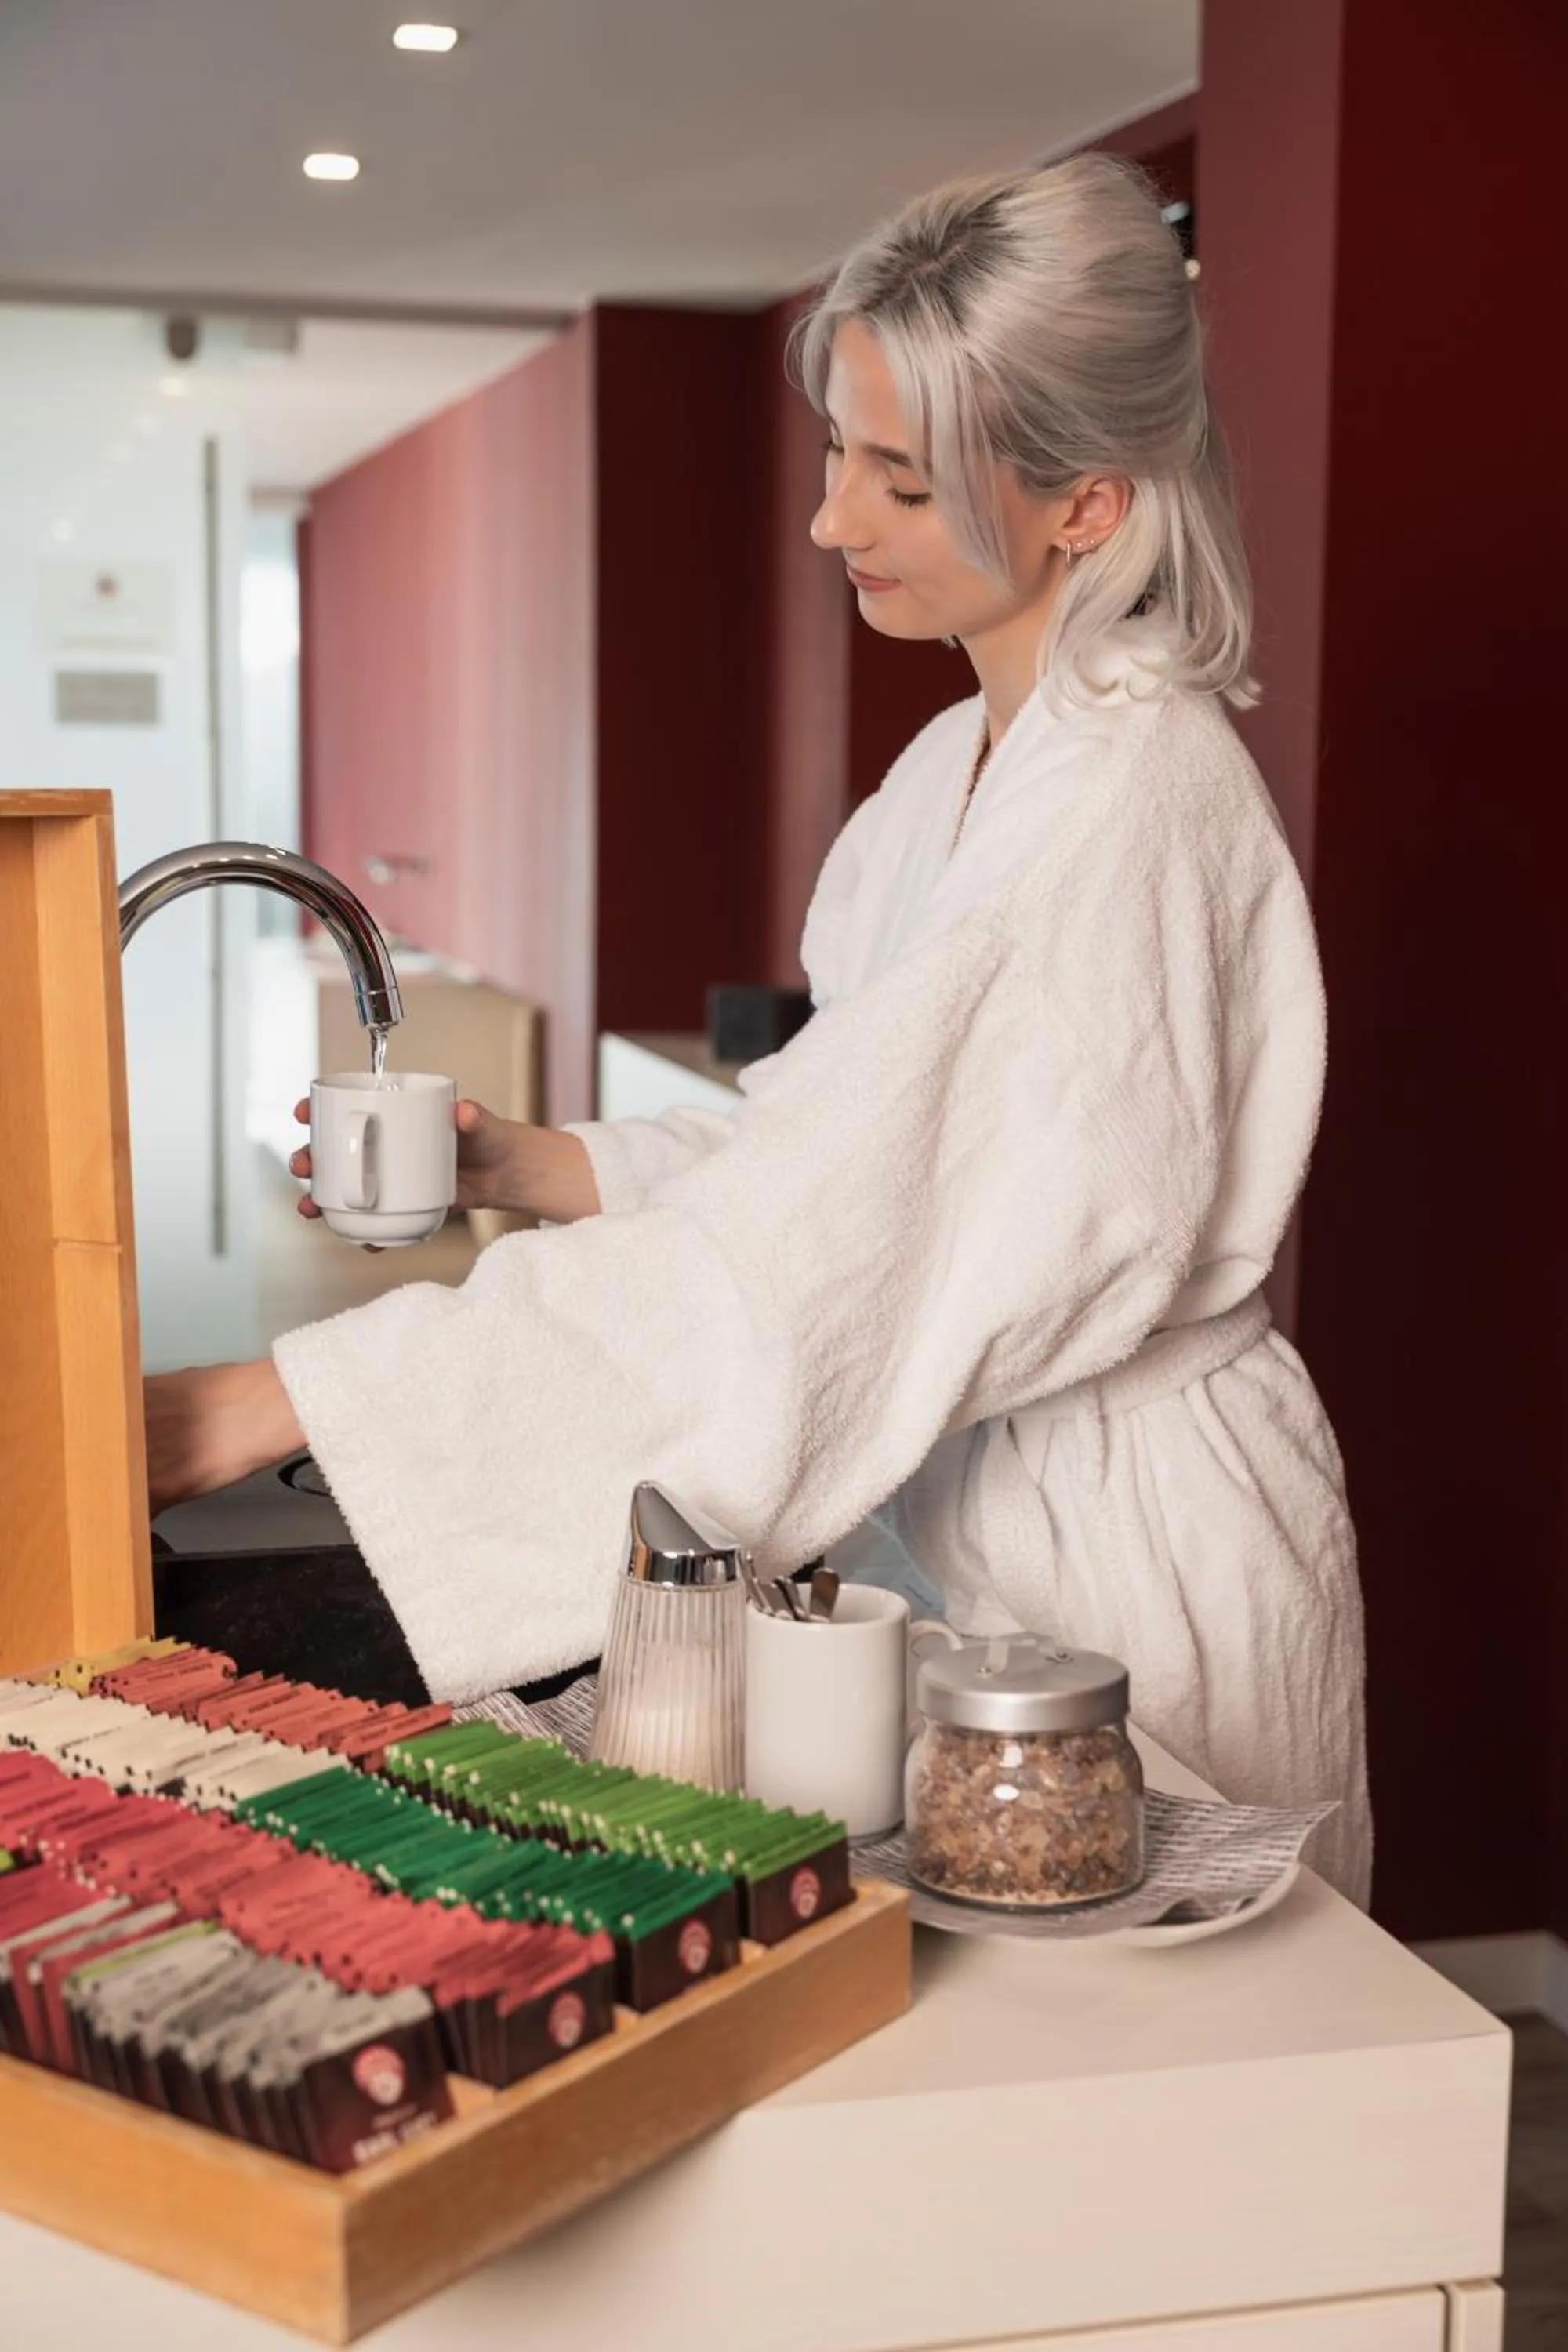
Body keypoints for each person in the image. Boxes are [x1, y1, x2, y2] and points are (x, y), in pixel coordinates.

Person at [147, 154, 1370, 1905]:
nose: (830, 521)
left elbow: (822, 1250)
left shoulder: (1120, 809)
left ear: (1085, 505)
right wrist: (535, 1165)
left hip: (1122, 1560)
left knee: (1165, 2126)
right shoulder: (950, 775)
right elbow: (826, 1143)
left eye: (898, 477)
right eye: (836, 453)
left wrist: (276, 1401)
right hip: (960, 1504)